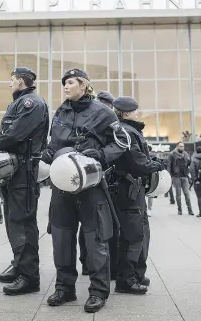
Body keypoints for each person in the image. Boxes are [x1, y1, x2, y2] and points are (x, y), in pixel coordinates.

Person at [43, 68, 128, 313]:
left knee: (95, 239)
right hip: (61, 185)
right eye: (64, 84)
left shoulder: (103, 112)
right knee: (61, 237)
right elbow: (54, 141)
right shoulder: (61, 110)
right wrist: (49, 152)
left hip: (90, 186)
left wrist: (101, 155)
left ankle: (98, 291)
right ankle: (64, 289)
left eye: (70, 82)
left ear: (84, 85)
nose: (66, 87)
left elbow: (121, 142)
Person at [0, 67, 49, 296]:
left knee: (23, 222)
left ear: (22, 81)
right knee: (13, 221)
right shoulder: (21, 102)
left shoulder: (31, 103)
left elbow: (15, 134)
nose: (10, 84)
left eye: (12, 80)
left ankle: (28, 276)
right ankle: (19, 265)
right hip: (15, 171)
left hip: (24, 171)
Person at [110, 96, 164, 295]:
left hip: (132, 189)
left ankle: (136, 274)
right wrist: (158, 165)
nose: (137, 113)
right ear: (125, 113)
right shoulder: (127, 131)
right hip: (129, 189)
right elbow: (137, 163)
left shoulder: (127, 130)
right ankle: (126, 279)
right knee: (132, 236)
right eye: (134, 111)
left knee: (138, 233)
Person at [77, 90, 116, 276]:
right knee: (95, 225)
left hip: (100, 177)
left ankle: (87, 262)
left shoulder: (105, 118)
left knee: (90, 225)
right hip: (93, 179)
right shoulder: (96, 117)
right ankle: (88, 262)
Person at [167, 142, 194, 216]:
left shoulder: (186, 154)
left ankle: (190, 210)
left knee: (187, 194)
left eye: (183, 146)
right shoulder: (172, 154)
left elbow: (189, 163)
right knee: (178, 194)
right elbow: (169, 165)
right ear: (177, 146)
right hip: (176, 176)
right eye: (181, 146)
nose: (182, 148)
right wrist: (169, 176)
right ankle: (179, 210)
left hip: (184, 176)